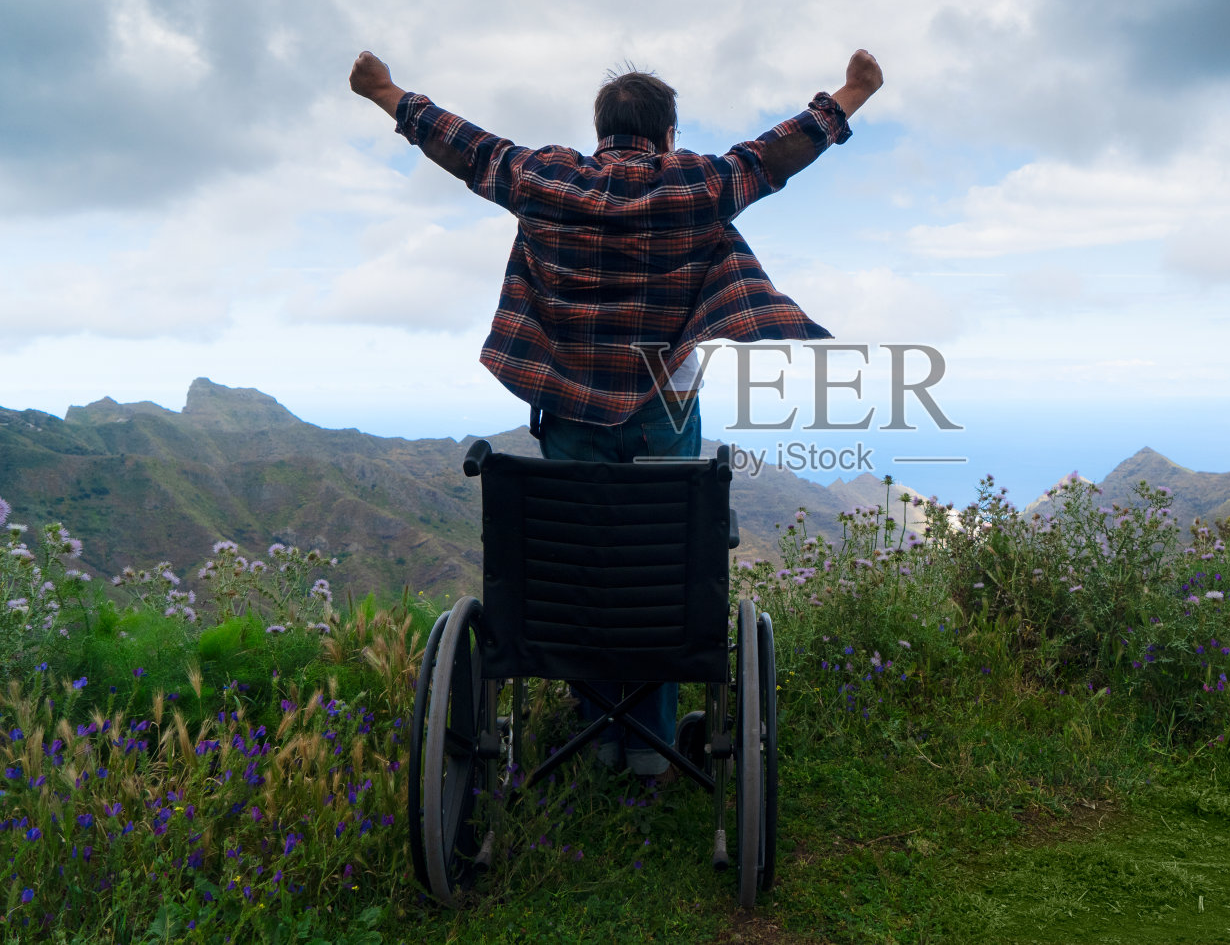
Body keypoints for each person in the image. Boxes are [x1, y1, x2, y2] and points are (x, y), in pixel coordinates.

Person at [350, 47, 883, 779]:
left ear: (599, 131)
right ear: (668, 134)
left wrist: (386, 94)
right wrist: (852, 93)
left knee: (587, 556)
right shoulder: (697, 182)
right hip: (665, 410)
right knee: (659, 555)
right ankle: (648, 743)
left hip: (569, 413)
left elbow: (467, 147)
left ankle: (600, 732)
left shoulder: (546, 179)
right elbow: (776, 154)